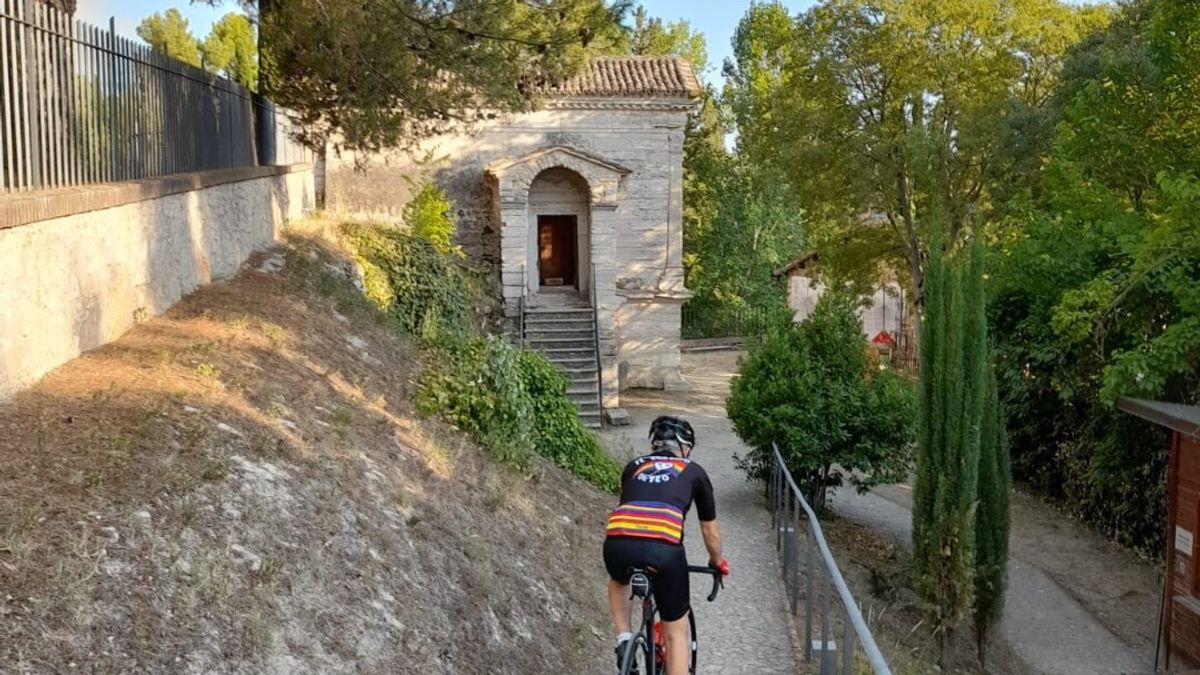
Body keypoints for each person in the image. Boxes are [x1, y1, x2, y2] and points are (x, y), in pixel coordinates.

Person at [603, 415, 729, 675]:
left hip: (617, 543)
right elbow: (710, 531)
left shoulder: (633, 466)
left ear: (655, 444)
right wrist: (716, 562)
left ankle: (625, 639)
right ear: (685, 447)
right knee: (676, 634)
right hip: (663, 551)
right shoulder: (694, 471)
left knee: (618, 579)